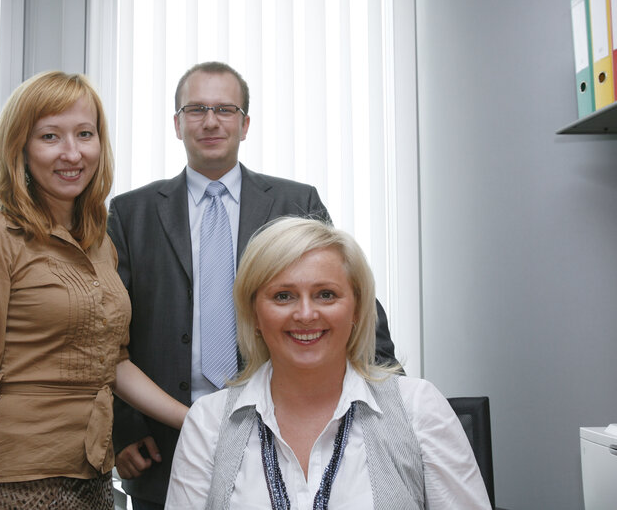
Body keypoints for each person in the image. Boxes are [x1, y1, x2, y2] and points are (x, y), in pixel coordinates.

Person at [107, 61, 399, 509]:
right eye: (196, 109)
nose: (210, 121)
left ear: (245, 124)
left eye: (225, 109)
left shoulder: (294, 201)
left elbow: (344, 296)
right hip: (163, 446)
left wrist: (391, 405)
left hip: (285, 428)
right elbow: (107, 335)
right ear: (177, 123)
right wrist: (125, 429)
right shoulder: (131, 213)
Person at [0, 70, 188, 510]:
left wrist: (193, 420)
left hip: (93, 476)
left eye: (85, 134)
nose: (72, 153)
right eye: (50, 136)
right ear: (20, 147)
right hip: (17, 483)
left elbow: (112, 362)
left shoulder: (99, 244)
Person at [165, 217, 491, 509]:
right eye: (283, 296)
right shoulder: (208, 424)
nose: (306, 314)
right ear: (254, 315)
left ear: (357, 310)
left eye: (326, 294)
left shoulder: (419, 408)